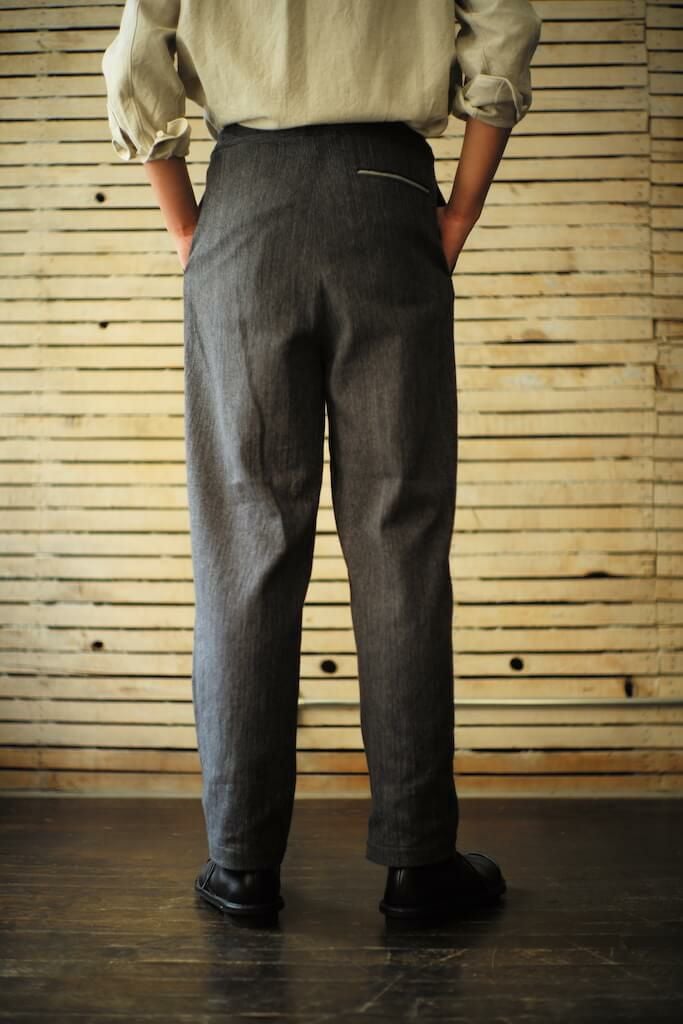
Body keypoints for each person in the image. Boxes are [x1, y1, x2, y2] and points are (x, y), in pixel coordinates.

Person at [102, 0, 543, 923]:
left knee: (245, 543)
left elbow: (136, 60)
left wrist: (190, 232)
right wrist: (460, 209)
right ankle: (419, 860)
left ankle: (240, 865)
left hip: (246, 198)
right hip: (388, 193)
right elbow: (502, 26)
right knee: (400, 540)